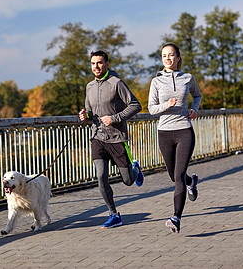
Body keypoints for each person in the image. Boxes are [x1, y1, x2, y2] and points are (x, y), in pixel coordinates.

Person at [79, 50, 144, 229]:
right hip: (97, 137)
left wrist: (114, 118)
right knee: (101, 176)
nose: (96, 67)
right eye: (93, 63)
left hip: (116, 137)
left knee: (128, 181)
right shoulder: (89, 87)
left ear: (107, 64)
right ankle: (114, 214)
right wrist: (85, 116)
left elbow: (136, 105)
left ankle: (135, 170)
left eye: (99, 63)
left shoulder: (117, 83)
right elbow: (90, 111)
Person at [148, 42, 202, 233]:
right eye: (164, 56)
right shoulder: (156, 81)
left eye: (171, 55)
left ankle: (176, 218)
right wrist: (166, 105)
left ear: (178, 58)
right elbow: (151, 108)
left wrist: (194, 109)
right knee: (173, 176)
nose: (167, 58)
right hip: (164, 133)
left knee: (178, 175)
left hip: (184, 131)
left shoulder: (187, 78)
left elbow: (197, 96)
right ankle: (191, 182)